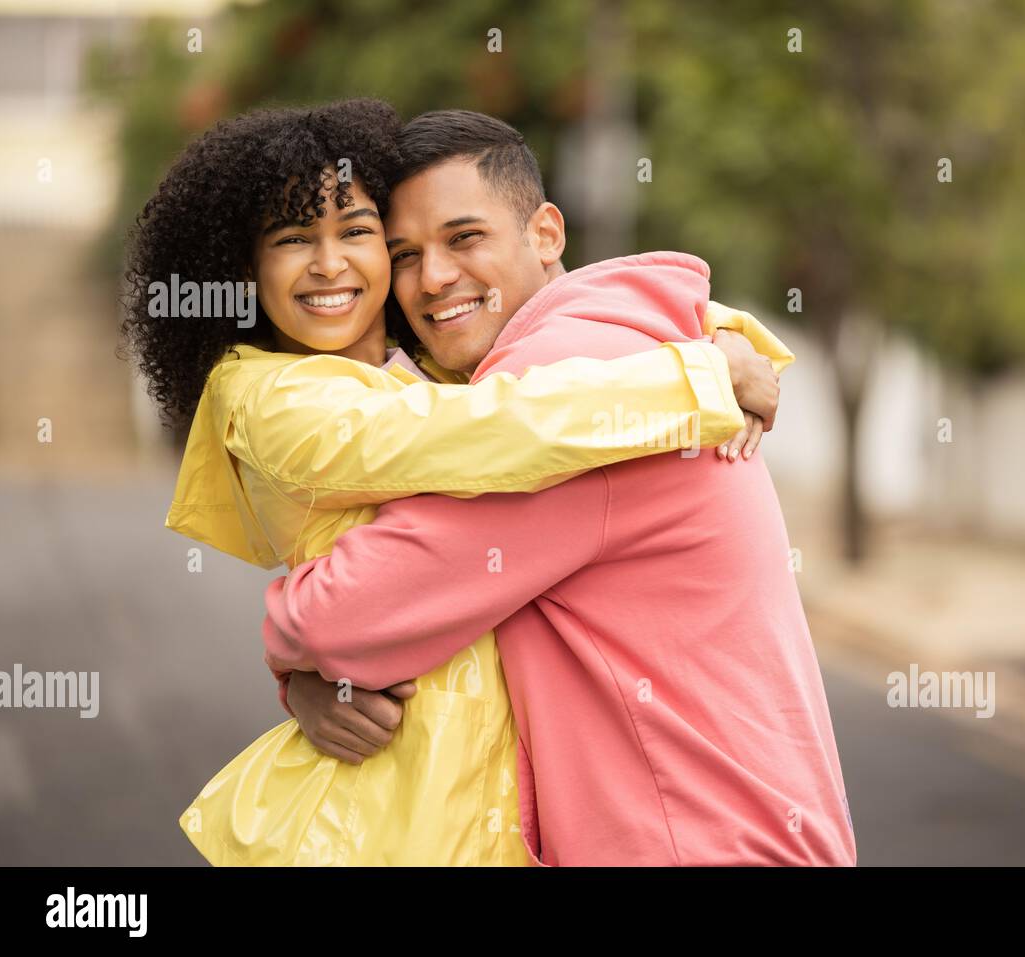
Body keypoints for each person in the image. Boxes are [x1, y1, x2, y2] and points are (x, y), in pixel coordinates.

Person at [121, 99, 787, 865]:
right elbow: (488, 431)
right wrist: (695, 379)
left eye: (359, 233)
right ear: (244, 272)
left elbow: (567, 366)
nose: (330, 263)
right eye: (293, 239)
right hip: (386, 806)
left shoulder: (428, 372)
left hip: (482, 800)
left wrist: (730, 337)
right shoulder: (274, 397)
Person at [267, 110, 856, 866]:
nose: (433, 278)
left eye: (464, 237)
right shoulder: (629, 354)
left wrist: (293, 656)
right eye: (405, 254)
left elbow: (346, 616)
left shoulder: (559, 391)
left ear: (546, 233)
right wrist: (317, 684)